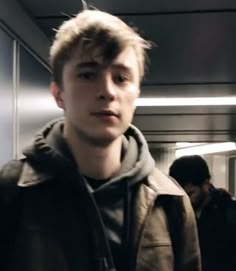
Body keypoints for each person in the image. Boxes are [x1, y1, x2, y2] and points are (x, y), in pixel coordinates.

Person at [0, 7, 201, 271]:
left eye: (121, 78)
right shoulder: (11, 190)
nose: (107, 91)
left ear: (136, 94)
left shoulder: (170, 201)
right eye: (87, 75)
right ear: (58, 93)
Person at [169, 155, 236, 271]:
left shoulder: (230, 212)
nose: (185, 201)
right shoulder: (174, 213)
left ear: (205, 184)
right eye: (180, 195)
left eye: (190, 194)